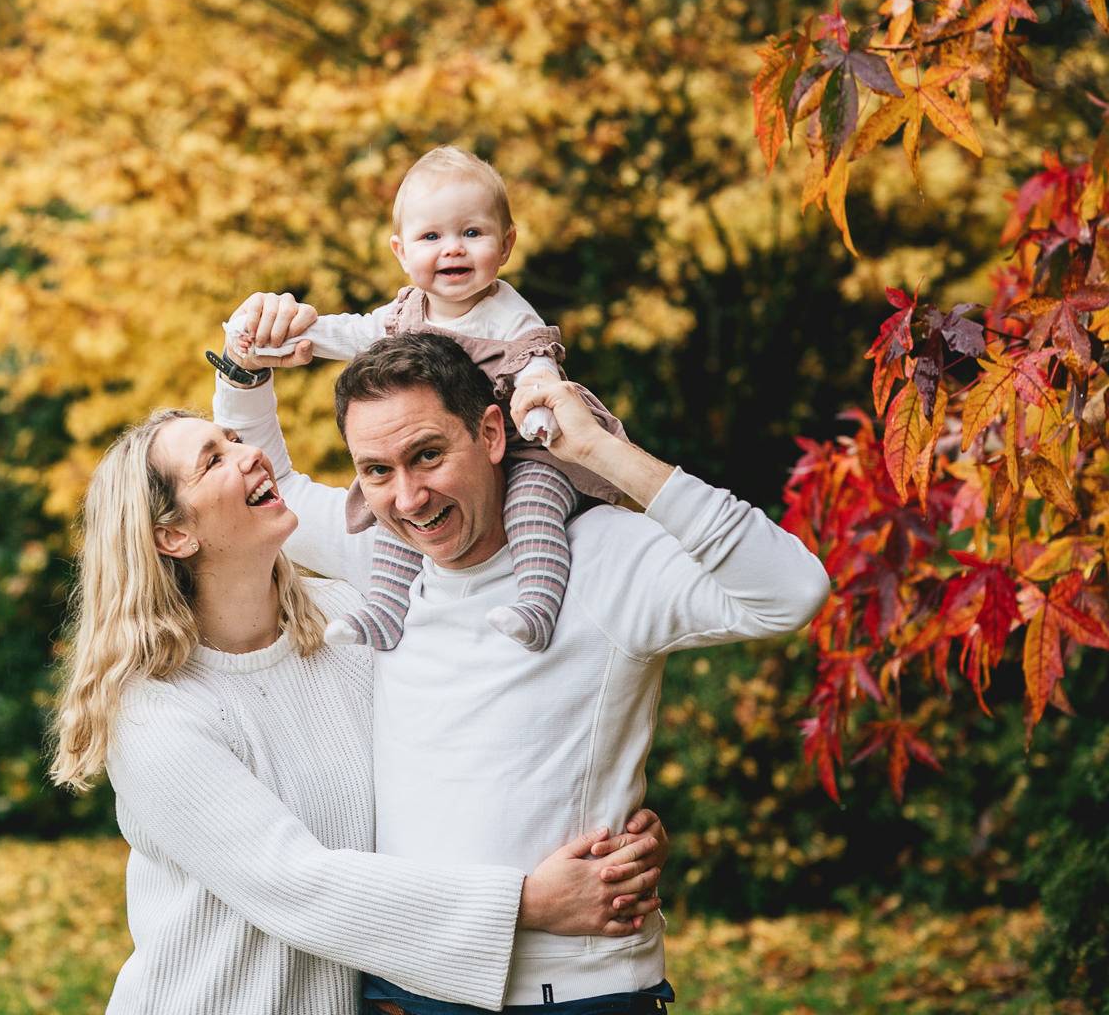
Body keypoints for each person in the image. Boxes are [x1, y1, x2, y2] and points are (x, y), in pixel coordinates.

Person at [214, 314, 832, 1013]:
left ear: (490, 433)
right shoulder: (382, 559)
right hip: (403, 986)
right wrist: (244, 373)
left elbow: (792, 590)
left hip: (576, 991)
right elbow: (279, 485)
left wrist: (599, 449)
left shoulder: (608, 556)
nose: (409, 498)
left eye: (427, 455)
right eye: (377, 471)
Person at [48, 407, 670, 1014]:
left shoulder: (349, 622)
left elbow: (463, 739)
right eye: (214, 460)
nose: (251, 454)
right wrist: (528, 903)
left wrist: (599, 819)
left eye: (235, 437)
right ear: (174, 535)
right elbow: (296, 884)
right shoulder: (156, 713)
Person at [220, 147, 626, 655]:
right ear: (400, 252)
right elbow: (352, 334)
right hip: (480, 446)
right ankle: (388, 612)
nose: (452, 249)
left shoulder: (510, 317)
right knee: (394, 518)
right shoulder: (405, 314)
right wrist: (268, 345)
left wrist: (542, 412)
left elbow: (538, 373)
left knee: (532, 506)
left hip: (528, 447)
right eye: (431, 237)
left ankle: (537, 604)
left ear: (506, 245)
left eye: (471, 233)